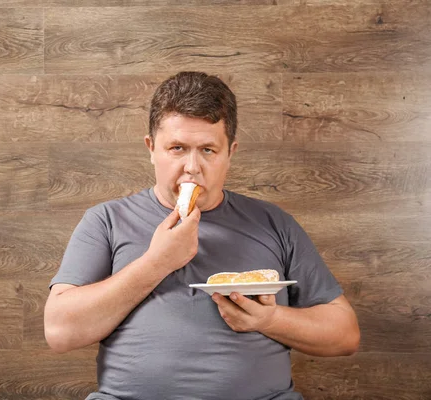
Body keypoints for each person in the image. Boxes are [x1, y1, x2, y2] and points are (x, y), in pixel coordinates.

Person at [44, 71, 360, 400]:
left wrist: (270, 319)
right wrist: (156, 263)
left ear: (230, 153)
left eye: (208, 150)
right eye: (177, 148)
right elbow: (59, 332)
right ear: (151, 149)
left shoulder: (274, 223)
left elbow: (345, 335)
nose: (193, 167)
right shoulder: (106, 221)